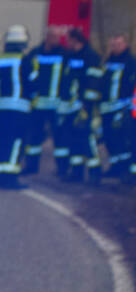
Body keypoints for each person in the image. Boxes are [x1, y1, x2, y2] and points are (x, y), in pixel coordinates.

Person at [0, 25, 33, 190]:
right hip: (19, 108)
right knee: (16, 143)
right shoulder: (25, 60)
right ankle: (11, 179)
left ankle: (2, 177)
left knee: (3, 141)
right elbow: (33, 82)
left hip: (1, 106)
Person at [61, 29, 104, 184]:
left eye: (68, 40)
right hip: (72, 106)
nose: (67, 43)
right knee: (74, 139)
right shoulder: (70, 56)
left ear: (74, 40)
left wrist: (87, 105)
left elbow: (94, 82)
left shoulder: (91, 56)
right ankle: (76, 172)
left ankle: (95, 172)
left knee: (87, 138)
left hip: (85, 106)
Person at [24, 29, 66, 175]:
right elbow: (26, 72)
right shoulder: (35, 52)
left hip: (56, 104)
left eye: (57, 37)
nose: (56, 40)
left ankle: (62, 168)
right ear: (47, 37)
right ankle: (31, 166)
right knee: (34, 136)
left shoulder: (64, 54)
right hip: (38, 103)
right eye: (53, 36)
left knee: (59, 138)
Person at [99, 34, 136, 182]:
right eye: (113, 45)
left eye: (118, 44)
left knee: (123, 140)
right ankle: (115, 167)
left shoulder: (131, 62)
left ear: (125, 45)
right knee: (109, 139)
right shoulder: (108, 61)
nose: (115, 47)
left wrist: (128, 107)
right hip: (106, 107)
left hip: (122, 107)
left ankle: (126, 169)